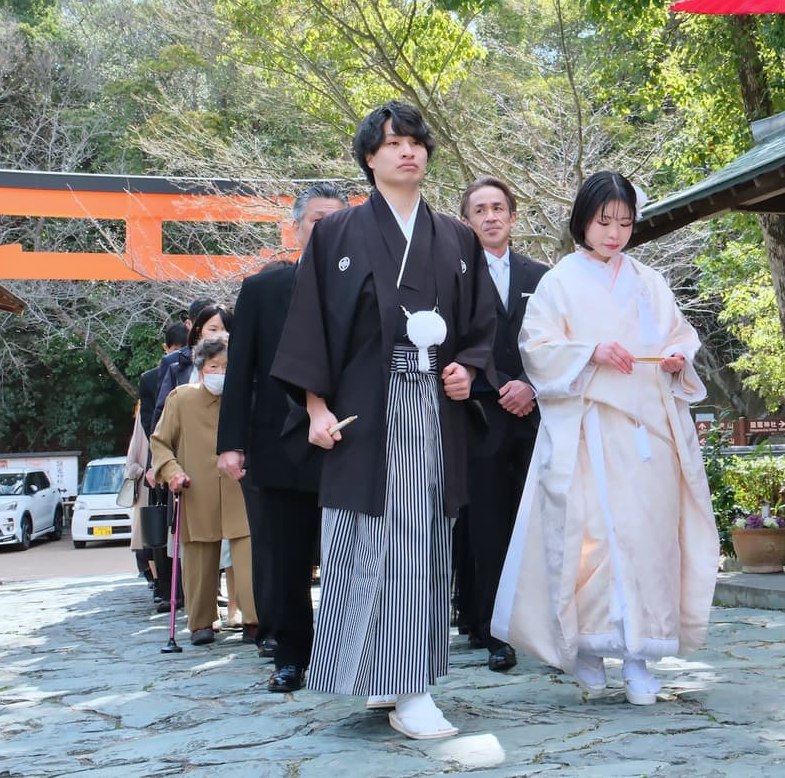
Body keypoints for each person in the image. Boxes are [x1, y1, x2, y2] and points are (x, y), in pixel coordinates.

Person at [270, 101, 495, 739]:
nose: (408, 152)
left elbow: (478, 326)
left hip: (430, 405)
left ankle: (412, 685)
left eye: (416, 142)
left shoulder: (455, 237)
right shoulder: (337, 234)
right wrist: (314, 406)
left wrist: (467, 372)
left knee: (420, 543)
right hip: (362, 410)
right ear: (369, 159)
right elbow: (310, 324)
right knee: (360, 543)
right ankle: (379, 677)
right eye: (393, 143)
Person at [491, 171, 719, 706]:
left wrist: (677, 356)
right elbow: (538, 347)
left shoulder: (647, 280)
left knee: (648, 539)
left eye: (624, 222)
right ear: (584, 221)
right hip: (589, 428)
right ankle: (589, 647)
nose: (615, 233)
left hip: (647, 429)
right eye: (604, 221)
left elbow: (678, 333)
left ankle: (640, 656)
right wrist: (590, 351)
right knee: (591, 539)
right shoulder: (560, 280)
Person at [217, 181, 348, 693]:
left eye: (338, 220)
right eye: (318, 219)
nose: (328, 229)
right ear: (295, 229)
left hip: (347, 441)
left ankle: (349, 653)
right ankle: (292, 654)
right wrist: (231, 443)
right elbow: (241, 370)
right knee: (284, 556)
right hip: (278, 440)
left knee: (348, 556)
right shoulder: (262, 289)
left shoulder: (366, 286)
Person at [453, 177, 549, 673]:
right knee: (487, 523)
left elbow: (555, 339)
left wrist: (530, 384)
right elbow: (453, 342)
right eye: (480, 210)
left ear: (513, 216)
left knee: (533, 520)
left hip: (534, 412)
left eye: (499, 208)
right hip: (480, 413)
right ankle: (494, 631)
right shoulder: (454, 274)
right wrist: (497, 383)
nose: (491, 217)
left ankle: (537, 622)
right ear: (467, 221)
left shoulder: (542, 275)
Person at [150, 335, 257, 646]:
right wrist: (172, 472)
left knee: (249, 555)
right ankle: (201, 622)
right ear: (200, 367)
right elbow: (160, 443)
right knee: (198, 558)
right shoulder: (181, 399)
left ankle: (254, 619)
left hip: (239, 488)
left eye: (227, 367)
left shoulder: (246, 397)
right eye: (214, 366)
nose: (221, 373)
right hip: (196, 488)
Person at [139, 321, 190, 610]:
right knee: (167, 522)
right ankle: (165, 587)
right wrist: (157, 461)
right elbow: (152, 423)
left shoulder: (216, 364)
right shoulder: (153, 377)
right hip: (166, 455)